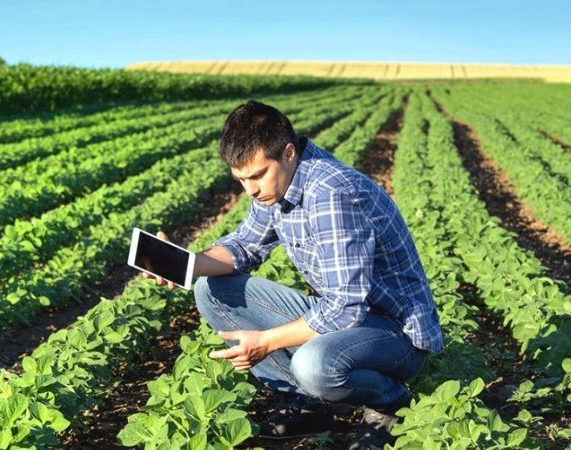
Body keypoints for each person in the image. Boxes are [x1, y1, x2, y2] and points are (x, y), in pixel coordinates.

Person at [145, 100, 443, 449]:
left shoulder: (331, 194)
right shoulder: (278, 186)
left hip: (396, 335)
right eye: (241, 179)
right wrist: (185, 262)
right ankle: (309, 404)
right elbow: (243, 246)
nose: (251, 190)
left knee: (313, 364)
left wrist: (267, 342)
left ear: (288, 153)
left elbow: (345, 308)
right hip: (350, 321)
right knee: (211, 290)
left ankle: (389, 403)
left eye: (257, 175)